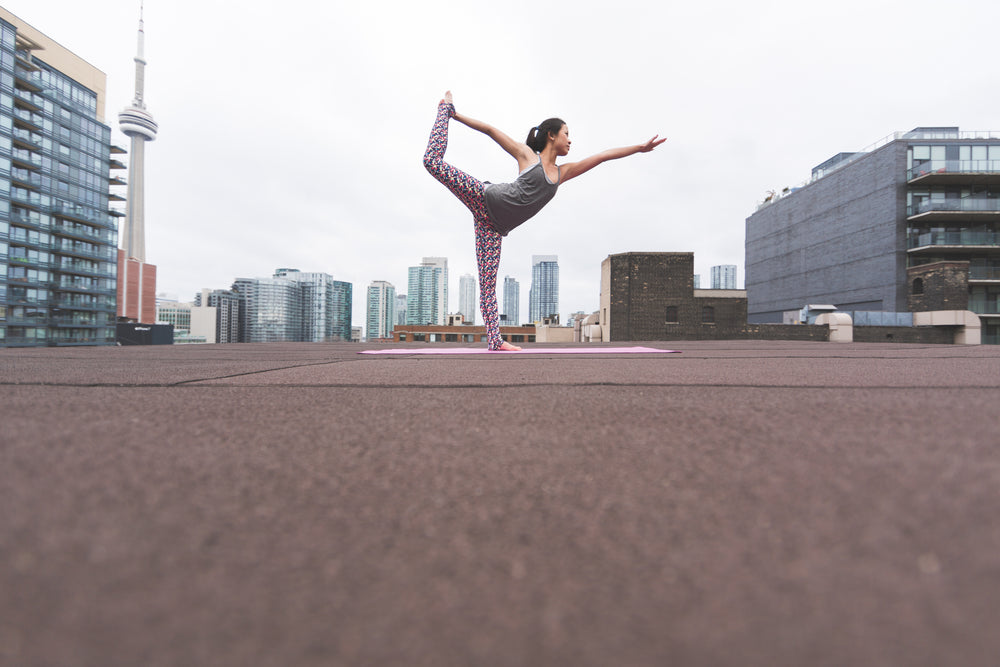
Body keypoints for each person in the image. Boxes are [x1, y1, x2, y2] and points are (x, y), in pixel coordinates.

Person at [423, 91, 666, 351]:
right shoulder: (528, 157)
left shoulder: (563, 173)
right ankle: (443, 110)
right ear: (552, 135)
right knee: (431, 162)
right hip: (485, 197)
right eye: (566, 134)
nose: (570, 140)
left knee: (487, 286)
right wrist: (454, 114)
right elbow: (491, 131)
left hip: (493, 228)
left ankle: (495, 341)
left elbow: (603, 156)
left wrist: (639, 148)